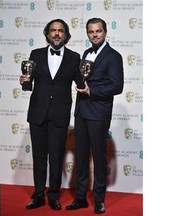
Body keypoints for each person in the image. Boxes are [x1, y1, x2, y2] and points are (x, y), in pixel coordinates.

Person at [19, 19, 82, 210]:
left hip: (59, 116)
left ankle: (53, 195)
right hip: (38, 113)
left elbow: (80, 83)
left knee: (56, 158)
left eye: (60, 31)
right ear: (47, 34)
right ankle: (38, 195)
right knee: (39, 158)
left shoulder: (74, 57)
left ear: (66, 35)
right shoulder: (35, 54)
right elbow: (28, 84)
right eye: (53, 30)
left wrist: (88, 87)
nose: (56, 34)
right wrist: (24, 81)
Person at [65, 17, 124, 214]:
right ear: (88, 33)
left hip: (98, 114)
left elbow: (117, 86)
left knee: (99, 158)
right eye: (91, 32)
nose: (94, 35)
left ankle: (99, 200)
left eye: (98, 31)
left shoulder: (113, 56)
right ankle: (80, 198)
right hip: (81, 111)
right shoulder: (86, 53)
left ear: (105, 32)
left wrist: (91, 91)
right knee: (81, 157)